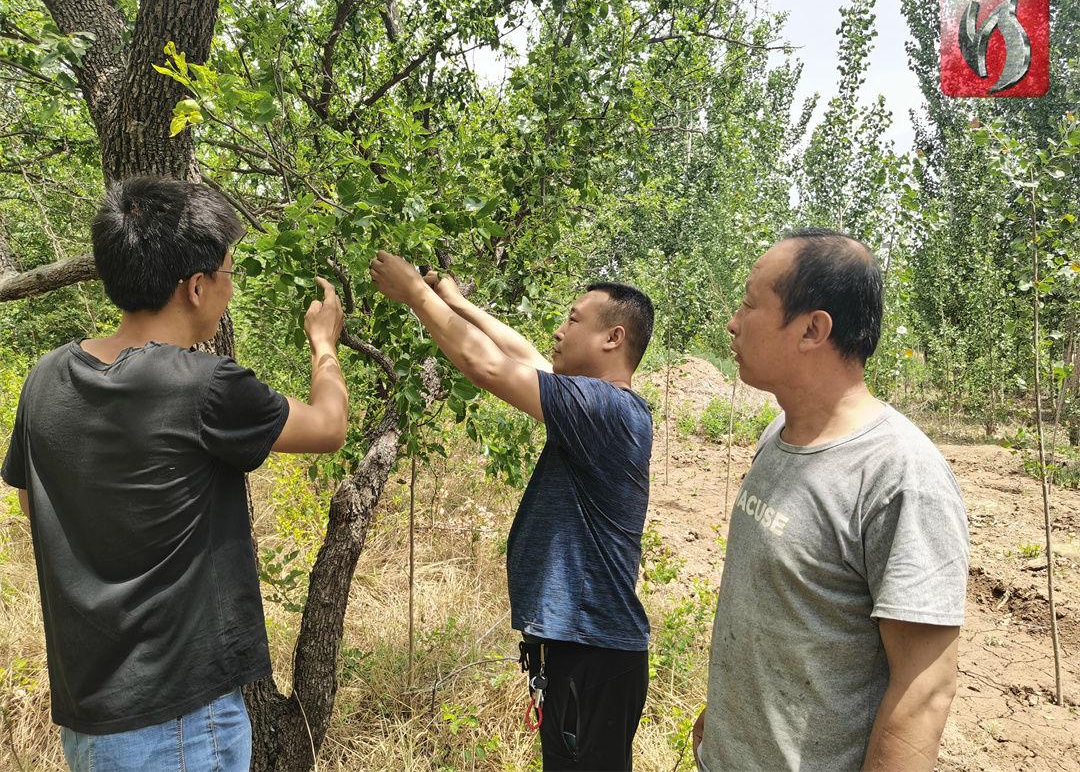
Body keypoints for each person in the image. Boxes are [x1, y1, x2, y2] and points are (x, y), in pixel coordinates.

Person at [1, 176, 349, 771]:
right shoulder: (204, 385)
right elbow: (327, 426)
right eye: (228, 275)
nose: (229, 289)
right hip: (182, 724)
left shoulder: (44, 379)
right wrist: (323, 344)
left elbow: (37, 506)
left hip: (90, 720)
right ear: (195, 286)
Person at [693, 229, 969, 772]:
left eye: (750, 303)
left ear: (813, 329)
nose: (732, 320)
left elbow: (924, 690)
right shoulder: (776, 436)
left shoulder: (899, 476)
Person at [369, 251, 654, 770]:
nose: (558, 330)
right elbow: (520, 353)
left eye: (572, 319)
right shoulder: (595, 405)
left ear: (613, 337)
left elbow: (486, 365)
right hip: (584, 651)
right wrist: (454, 302)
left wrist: (415, 294)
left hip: (593, 654)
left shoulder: (603, 408)